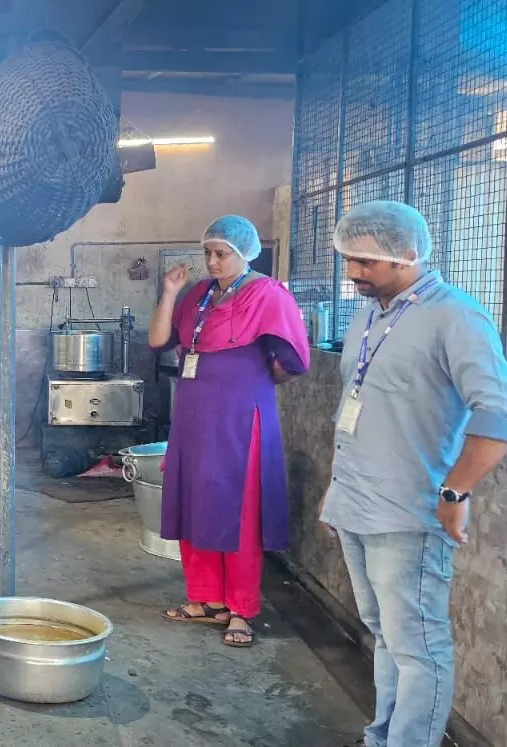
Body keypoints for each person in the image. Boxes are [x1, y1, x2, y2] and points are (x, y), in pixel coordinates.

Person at [320, 201, 507, 747]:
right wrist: (335, 493)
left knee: (418, 647)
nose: (352, 274)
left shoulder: (455, 315)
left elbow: (500, 412)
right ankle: (382, 735)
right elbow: (355, 405)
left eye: (365, 262)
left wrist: (455, 490)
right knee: (384, 634)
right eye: (348, 259)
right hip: (357, 503)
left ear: (407, 255)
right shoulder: (369, 313)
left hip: (409, 512)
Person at [148, 215, 310, 648]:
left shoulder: (267, 293)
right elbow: (159, 339)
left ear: (244, 254)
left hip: (240, 415)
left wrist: (252, 383)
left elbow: (292, 361)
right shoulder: (199, 295)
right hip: (194, 414)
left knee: (239, 510)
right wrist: (168, 292)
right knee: (195, 501)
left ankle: (240, 609)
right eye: (208, 253)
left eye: (222, 254)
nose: (213, 262)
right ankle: (203, 599)